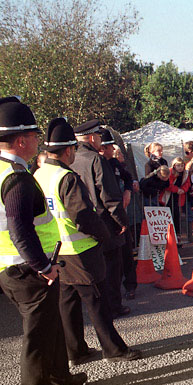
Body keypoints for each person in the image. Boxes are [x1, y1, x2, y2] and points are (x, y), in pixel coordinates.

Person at [0, 97, 86, 385]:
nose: (39, 140)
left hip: (14, 267)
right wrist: (44, 266)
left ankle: (60, 378)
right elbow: (20, 229)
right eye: (35, 135)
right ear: (21, 140)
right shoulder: (16, 178)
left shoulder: (8, 170)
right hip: (26, 269)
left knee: (50, 326)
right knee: (37, 335)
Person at [34, 118, 142, 367]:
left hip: (55, 251)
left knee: (68, 303)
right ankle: (113, 349)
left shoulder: (40, 174)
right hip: (80, 250)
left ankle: (76, 350)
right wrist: (105, 234)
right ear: (69, 149)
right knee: (98, 302)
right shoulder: (66, 177)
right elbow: (84, 217)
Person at [71, 119, 130, 319]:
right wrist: (121, 221)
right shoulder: (96, 160)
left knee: (95, 269)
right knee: (113, 269)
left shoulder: (71, 159)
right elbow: (109, 195)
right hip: (105, 222)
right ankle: (114, 306)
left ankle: (101, 307)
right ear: (92, 137)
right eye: (97, 136)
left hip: (83, 223)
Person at [99, 129, 138, 300]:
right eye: (107, 147)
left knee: (126, 252)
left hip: (120, 212)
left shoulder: (114, 164)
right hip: (105, 216)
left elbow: (128, 177)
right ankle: (110, 293)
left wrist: (128, 190)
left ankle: (130, 286)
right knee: (109, 258)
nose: (109, 150)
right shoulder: (96, 163)